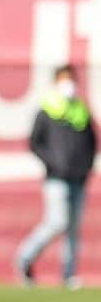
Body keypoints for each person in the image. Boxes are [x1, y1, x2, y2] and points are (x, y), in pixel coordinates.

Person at [16, 65, 96, 289]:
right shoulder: (46, 111)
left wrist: (86, 167)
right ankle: (25, 257)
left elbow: (91, 143)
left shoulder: (81, 111)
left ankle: (69, 275)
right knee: (57, 222)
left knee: (73, 229)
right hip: (56, 178)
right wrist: (54, 163)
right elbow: (35, 142)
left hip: (79, 178)